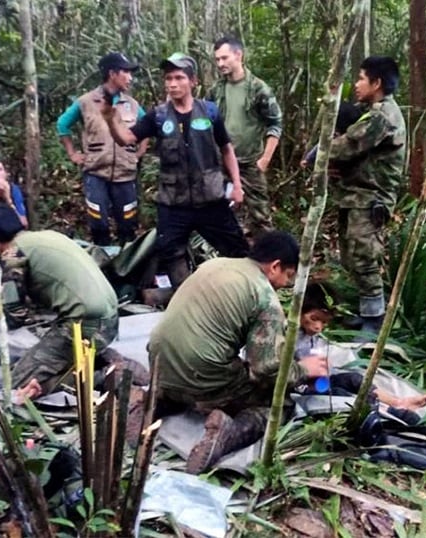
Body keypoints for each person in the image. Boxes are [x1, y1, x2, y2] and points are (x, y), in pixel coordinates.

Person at [147, 231, 329, 473]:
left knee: (224, 369)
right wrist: (304, 368)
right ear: (275, 266)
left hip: (158, 363)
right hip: (201, 374)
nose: (285, 284)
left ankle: (156, 401)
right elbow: (265, 370)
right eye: (288, 275)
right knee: (279, 406)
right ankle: (228, 434)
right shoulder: (265, 297)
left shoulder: (215, 264)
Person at [103, 53, 249, 288]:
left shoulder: (210, 112)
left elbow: (226, 149)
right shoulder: (158, 116)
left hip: (210, 199)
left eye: (179, 78)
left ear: (193, 82)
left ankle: (243, 293)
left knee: (237, 250)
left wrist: (237, 186)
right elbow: (126, 138)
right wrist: (110, 119)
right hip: (173, 203)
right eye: (168, 78)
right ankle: (186, 295)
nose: (172, 83)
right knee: (170, 252)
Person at [0, 205, 119, 397]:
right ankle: (95, 360)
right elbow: (44, 293)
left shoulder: (13, 255)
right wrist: (2, 291)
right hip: (109, 318)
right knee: (34, 362)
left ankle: (100, 377)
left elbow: (14, 319)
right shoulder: (46, 237)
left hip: (84, 325)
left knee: (16, 385)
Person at [328, 56, 407, 336]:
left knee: (364, 255)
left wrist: (321, 151)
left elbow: (346, 146)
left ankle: (375, 319)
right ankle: (367, 312)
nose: (356, 84)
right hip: (356, 194)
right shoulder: (371, 110)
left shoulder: (381, 117)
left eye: (361, 78)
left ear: (377, 83)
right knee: (351, 255)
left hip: (370, 199)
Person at [57, 52, 149, 246]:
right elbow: (62, 125)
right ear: (112, 73)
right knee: (98, 222)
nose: (130, 78)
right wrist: (73, 153)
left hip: (125, 174)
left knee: (128, 223)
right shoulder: (86, 102)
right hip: (96, 173)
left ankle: (127, 266)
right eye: (126, 72)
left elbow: (146, 127)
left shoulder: (132, 104)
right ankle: (101, 263)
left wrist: (140, 152)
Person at [294, 282, 426, 412]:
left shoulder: (311, 337)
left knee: (354, 379)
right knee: (338, 394)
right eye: (314, 318)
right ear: (298, 311)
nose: (318, 327)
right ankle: (384, 411)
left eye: (324, 322)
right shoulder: (287, 335)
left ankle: (397, 403)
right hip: (298, 386)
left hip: (317, 382)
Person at [209, 36, 283, 237]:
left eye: (224, 58)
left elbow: (275, 123)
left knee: (260, 216)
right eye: (217, 60)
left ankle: (267, 261)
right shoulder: (216, 90)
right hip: (222, 163)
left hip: (250, 163)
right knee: (221, 215)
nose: (220, 64)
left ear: (238, 55)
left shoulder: (259, 89)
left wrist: (265, 160)